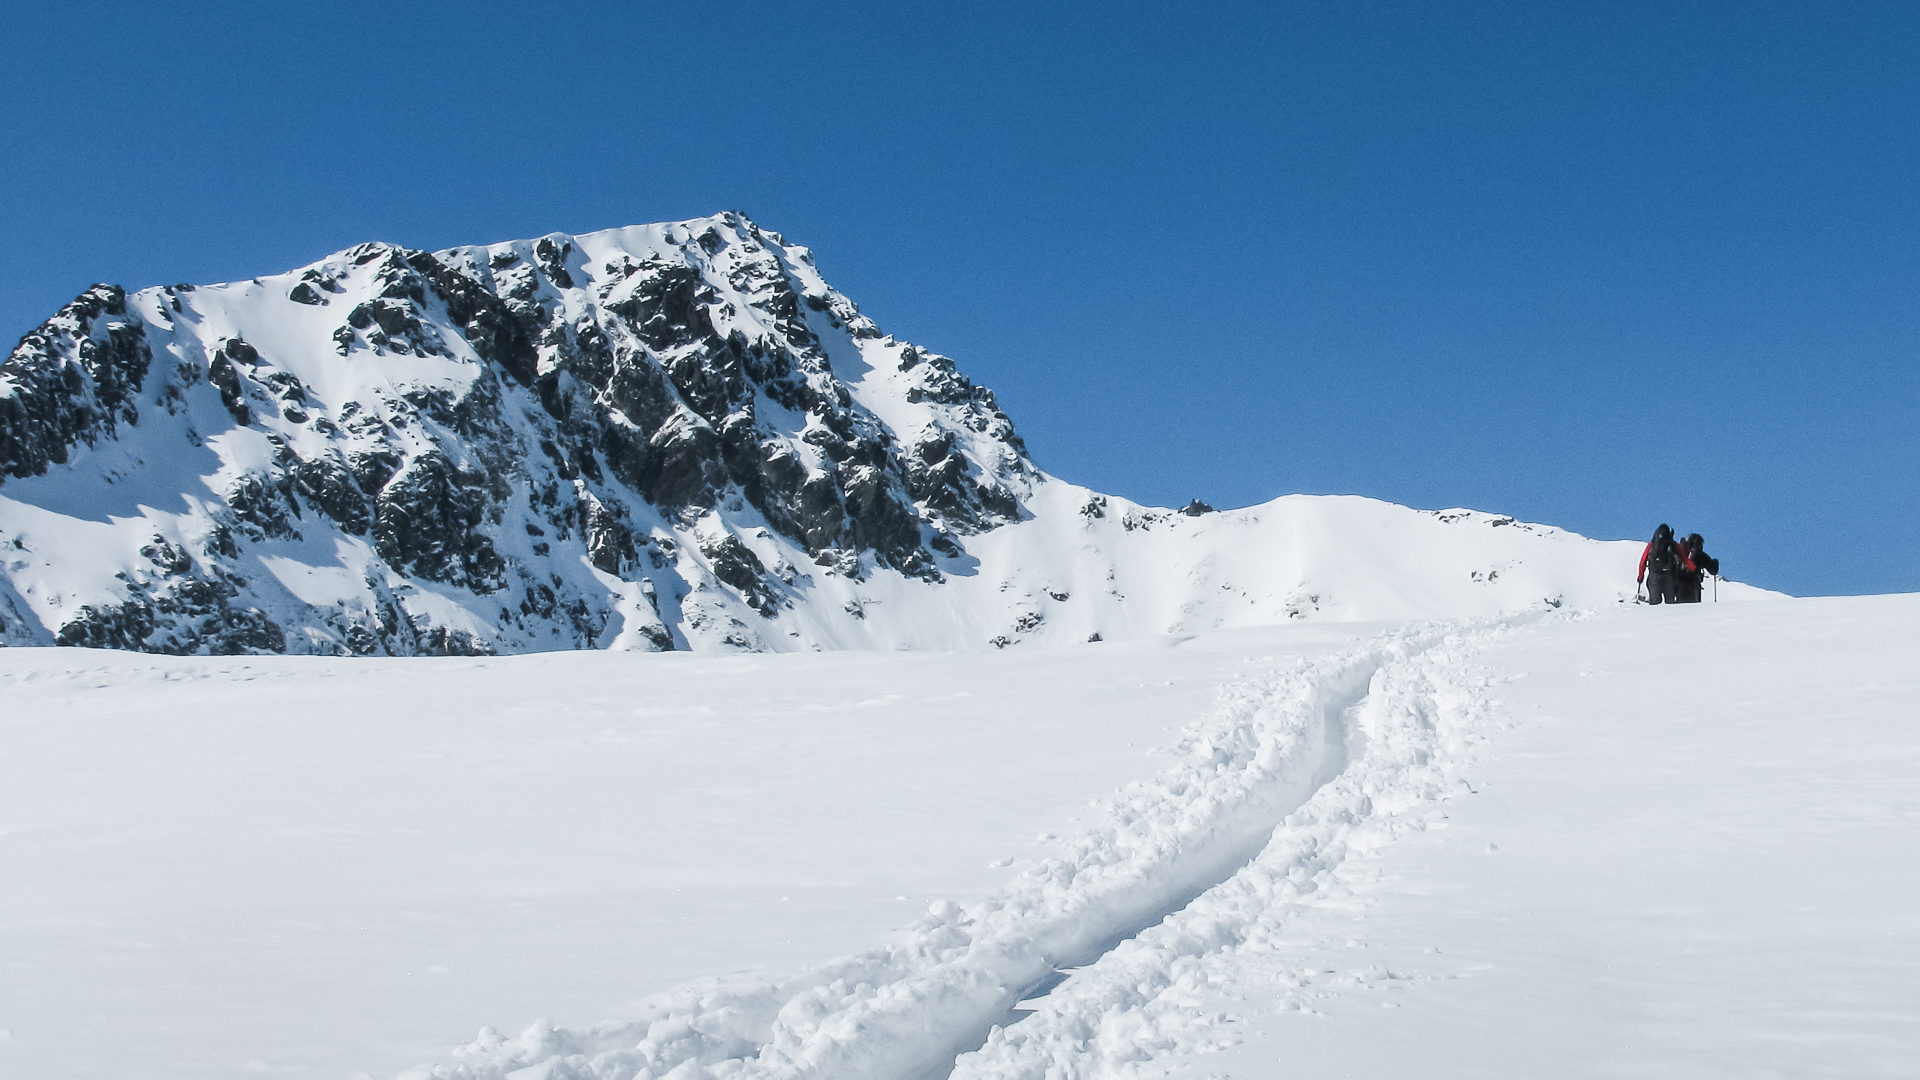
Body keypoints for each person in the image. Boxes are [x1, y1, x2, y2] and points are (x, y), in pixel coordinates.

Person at [1637, 523, 1687, 604]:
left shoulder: (1651, 545)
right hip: (1668, 575)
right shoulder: (1672, 544)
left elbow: (1642, 562)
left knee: (1654, 603)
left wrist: (1640, 577)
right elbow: (1684, 558)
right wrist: (1692, 568)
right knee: (1670, 602)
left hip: (1654, 575)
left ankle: (1655, 616)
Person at [1675, 532, 1720, 603]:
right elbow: (1712, 570)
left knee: (1681, 608)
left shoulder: (1679, 553)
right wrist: (1715, 563)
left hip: (1679, 585)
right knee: (1694, 609)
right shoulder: (1699, 555)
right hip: (1693, 584)